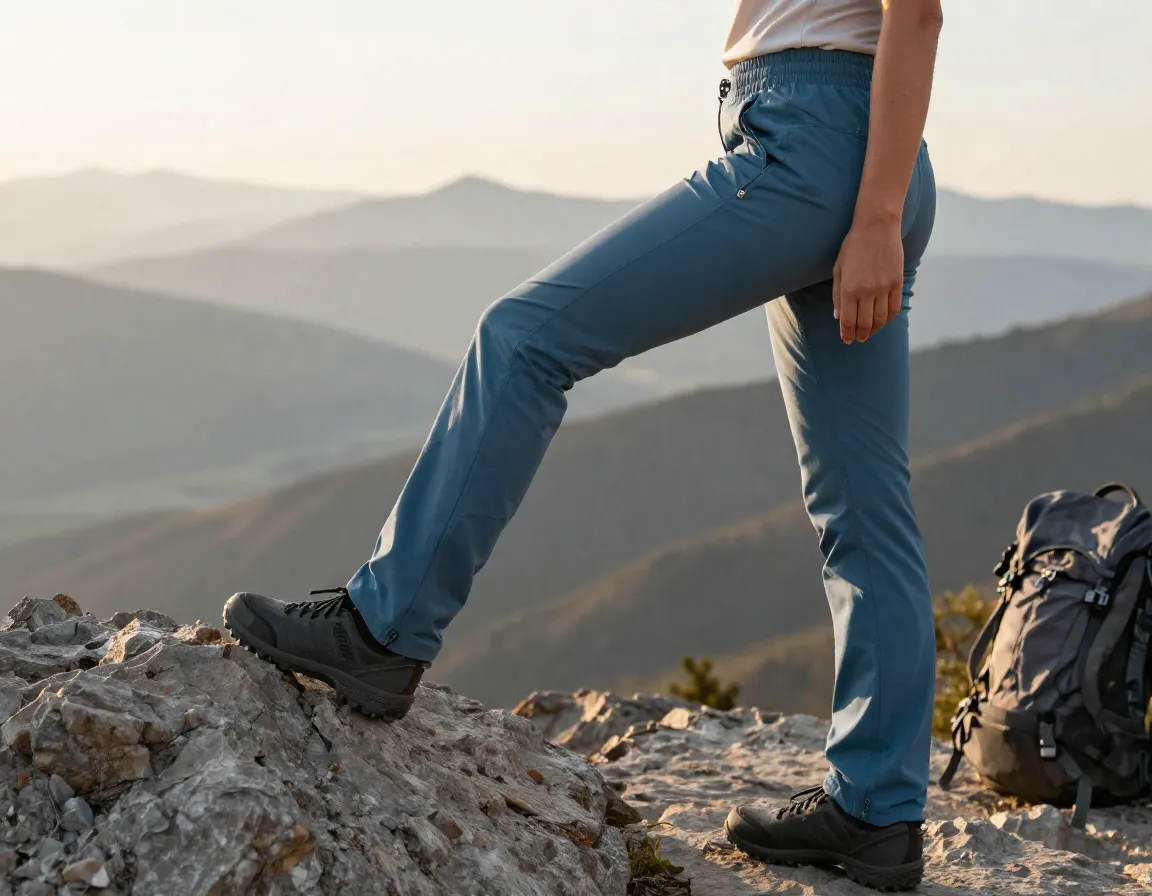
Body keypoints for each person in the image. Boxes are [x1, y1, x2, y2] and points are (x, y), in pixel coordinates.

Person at [224, 0, 943, 889]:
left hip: (816, 146)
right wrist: (879, 202)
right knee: (861, 505)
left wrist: (871, 217)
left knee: (524, 339)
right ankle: (876, 809)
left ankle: (385, 626)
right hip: (868, 152)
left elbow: (916, 11)